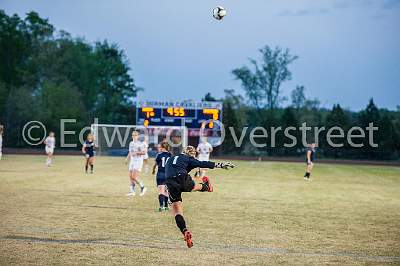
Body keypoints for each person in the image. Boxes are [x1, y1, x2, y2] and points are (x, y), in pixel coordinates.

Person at [165, 146, 235, 248]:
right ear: (191, 154)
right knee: (190, 186)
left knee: (177, 212)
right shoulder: (189, 159)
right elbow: (203, 163)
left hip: (170, 182)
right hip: (182, 178)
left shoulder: (171, 158)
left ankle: (185, 231)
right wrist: (221, 165)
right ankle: (206, 187)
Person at [125, 131, 147, 197]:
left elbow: (144, 152)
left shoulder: (140, 143)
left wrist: (136, 153)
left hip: (138, 161)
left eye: (135, 135)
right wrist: (127, 158)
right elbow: (130, 152)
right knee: (130, 177)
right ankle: (132, 192)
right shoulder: (131, 143)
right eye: (133, 135)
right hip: (132, 161)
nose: (134, 136)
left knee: (134, 177)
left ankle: (143, 187)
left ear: (138, 136)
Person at [152, 141, 172, 211]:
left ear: (163, 148)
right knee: (166, 190)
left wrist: (153, 170)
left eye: (160, 147)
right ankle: (166, 206)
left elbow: (155, 164)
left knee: (161, 191)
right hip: (168, 175)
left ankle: (161, 207)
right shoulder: (170, 155)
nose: (159, 148)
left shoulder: (159, 155)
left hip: (160, 174)